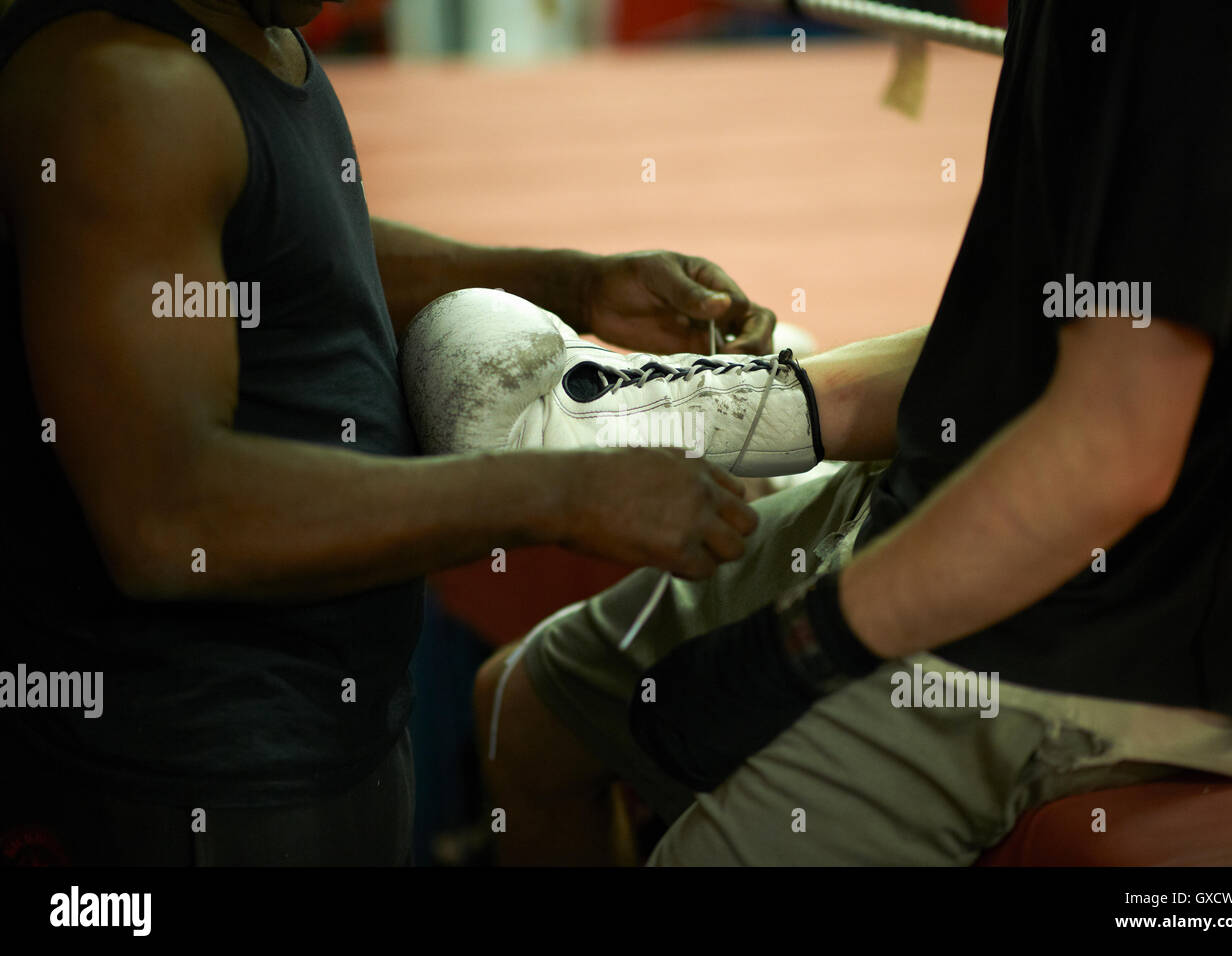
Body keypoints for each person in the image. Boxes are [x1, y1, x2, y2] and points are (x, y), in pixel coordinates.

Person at [476, 0, 1232, 865]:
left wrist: (797, 648)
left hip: (1104, 621)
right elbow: (1032, 340)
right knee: (525, 714)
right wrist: (693, 407)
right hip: (964, 497)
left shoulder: (1177, 33)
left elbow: (1110, 452)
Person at [0, 0, 776, 865]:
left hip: (326, 728)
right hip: (197, 784)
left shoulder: (243, 33)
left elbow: (285, 242)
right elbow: (166, 517)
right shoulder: (123, 88)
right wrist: (565, 492)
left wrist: (570, 284)